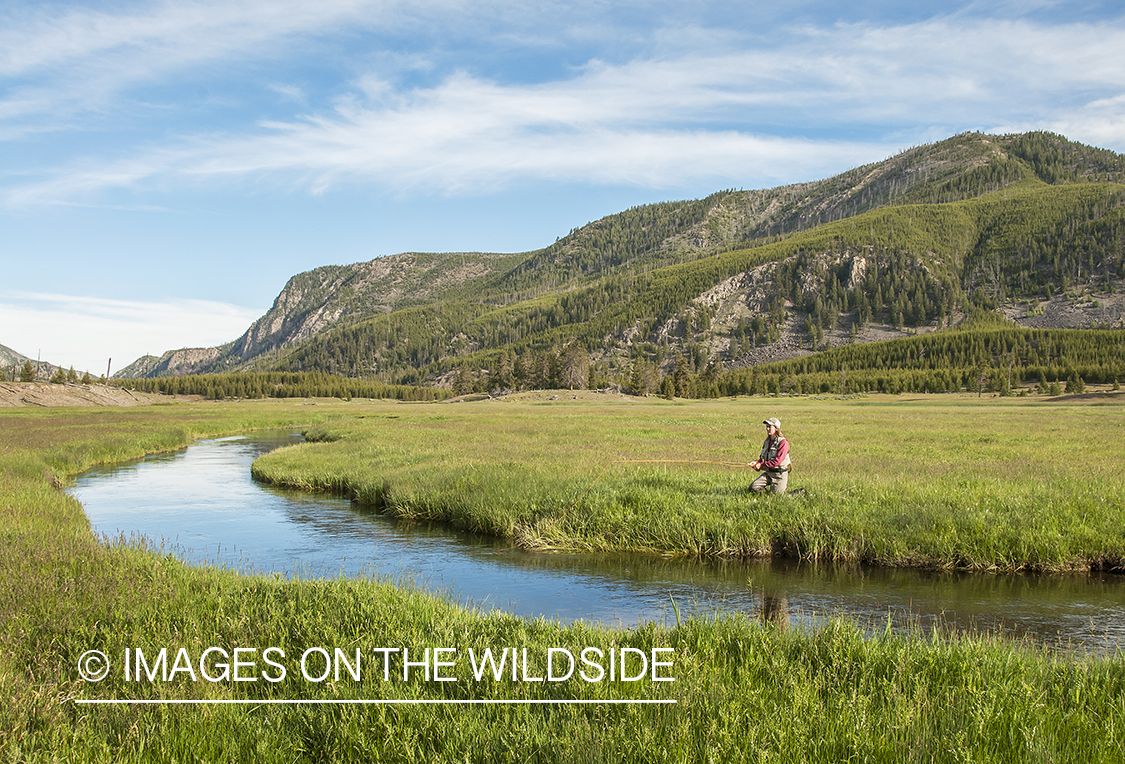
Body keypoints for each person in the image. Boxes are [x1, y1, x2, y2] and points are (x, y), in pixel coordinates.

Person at [749, 417, 790, 494]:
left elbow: (777, 462)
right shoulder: (767, 442)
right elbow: (762, 458)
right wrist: (756, 462)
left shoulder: (783, 442)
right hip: (768, 473)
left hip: (779, 474)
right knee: (753, 487)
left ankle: (799, 493)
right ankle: (768, 495)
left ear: (776, 428)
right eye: (767, 427)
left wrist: (761, 465)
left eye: (770, 427)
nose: (767, 429)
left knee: (778, 498)